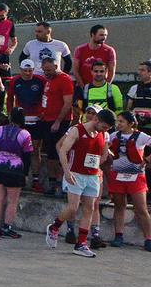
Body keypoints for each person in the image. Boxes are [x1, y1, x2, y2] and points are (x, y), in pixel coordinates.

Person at [46, 109, 115, 258]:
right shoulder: (77, 130)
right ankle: (55, 226)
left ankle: (81, 243)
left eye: (107, 129)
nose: (105, 130)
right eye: (104, 127)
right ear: (96, 119)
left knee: (90, 208)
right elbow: (63, 150)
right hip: (75, 173)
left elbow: (104, 154)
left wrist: (97, 167)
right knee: (73, 207)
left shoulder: (102, 134)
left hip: (92, 175)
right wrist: (66, 171)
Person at [105, 111, 151, 250]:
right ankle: (118, 235)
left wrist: (147, 160)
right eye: (117, 121)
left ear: (130, 123)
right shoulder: (113, 136)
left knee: (141, 208)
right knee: (119, 206)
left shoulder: (141, 136)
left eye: (121, 121)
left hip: (136, 176)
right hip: (117, 175)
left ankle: (148, 238)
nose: (118, 124)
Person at [0, 108, 33, 238]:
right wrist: (25, 173)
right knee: (12, 200)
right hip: (15, 168)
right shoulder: (25, 134)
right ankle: (7, 227)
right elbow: (27, 156)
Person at [36, 55, 76, 195]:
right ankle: (53, 182)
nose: (46, 72)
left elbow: (67, 103)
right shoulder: (48, 80)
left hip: (60, 122)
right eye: (44, 70)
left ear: (55, 66)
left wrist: (58, 121)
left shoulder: (64, 80)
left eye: (48, 69)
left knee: (60, 152)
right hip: (47, 120)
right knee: (50, 153)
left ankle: (61, 182)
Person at [73, 24, 115, 88]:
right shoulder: (80, 50)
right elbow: (76, 71)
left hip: (101, 88)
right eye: (101, 35)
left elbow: (111, 71)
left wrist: (106, 87)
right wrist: (83, 88)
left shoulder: (109, 51)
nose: (104, 37)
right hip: (83, 87)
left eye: (105, 35)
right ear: (93, 35)